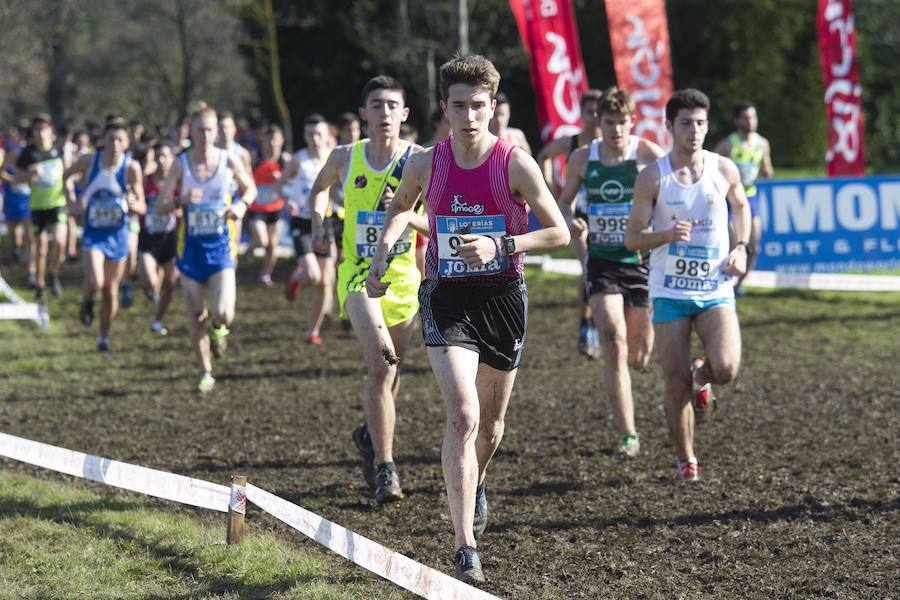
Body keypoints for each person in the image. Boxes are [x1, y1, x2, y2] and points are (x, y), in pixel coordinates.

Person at [367, 55, 569, 584]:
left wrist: (502, 243)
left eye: (479, 106)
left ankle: (478, 481)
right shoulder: (425, 164)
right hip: (446, 297)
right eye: (459, 106)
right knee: (463, 414)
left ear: (493, 107)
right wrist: (384, 251)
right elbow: (399, 211)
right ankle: (464, 545)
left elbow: (560, 233)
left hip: (503, 297)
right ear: (444, 108)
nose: (470, 116)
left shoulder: (516, 164)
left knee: (493, 426)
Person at [309, 75, 426, 504]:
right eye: (376, 105)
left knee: (393, 372)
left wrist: (405, 216)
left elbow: (438, 223)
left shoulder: (420, 162)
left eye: (392, 106)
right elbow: (319, 189)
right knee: (381, 366)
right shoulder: (345, 157)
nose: (384, 114)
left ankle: (368, 436)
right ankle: (385, 468)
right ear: (364, 114)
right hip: (358, 274)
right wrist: (318, 222)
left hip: (402, 279)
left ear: (405, 114)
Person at [625, 88, 750, 481]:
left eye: (699, 123)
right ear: (669, 126)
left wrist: (742, 247)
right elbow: (632, 238)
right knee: (675, 382)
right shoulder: (653, 176)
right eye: (685, 123)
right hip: (669, 291)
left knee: (727, 368)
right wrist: (664, 235)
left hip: (714, 289)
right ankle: (686, 460)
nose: (693, 131)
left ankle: (704, 375)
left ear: (708, 126)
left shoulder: (724, 169)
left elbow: (741, 206)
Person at [558, 87, 665, 457]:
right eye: (609, 123)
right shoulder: (583, 159)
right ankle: (628, 433)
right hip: (602, 263)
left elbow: (674, 198)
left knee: (641, 355)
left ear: (632, 121)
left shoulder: (648, 155)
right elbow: (563, 204)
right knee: (614, 341)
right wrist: (576, 232)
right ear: (597, 123)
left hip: (640, 262)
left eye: (622, 123)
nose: (616, 130)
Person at [155, 105, 258, 393]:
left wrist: (240, 205)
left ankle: (218, 330)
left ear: (217, 131)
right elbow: (160, 204)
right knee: (195, 311)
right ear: (191, 131)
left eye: (210, 129)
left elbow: (250, 188)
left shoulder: (228, 160)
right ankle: (205, 371)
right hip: (190, 251)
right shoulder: (181, 164)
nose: (205, 135)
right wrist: (180, 201)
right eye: (200, 129)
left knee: (224, 312)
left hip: (222, 248)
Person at [65, 121, 146, 351]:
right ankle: (88, 299)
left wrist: (134, 204)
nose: (115, 144)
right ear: (103, 141)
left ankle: (103, 336)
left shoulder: (131, 168)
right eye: (111, 139)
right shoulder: (89, 161)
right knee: (95, 281)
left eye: (120, 140)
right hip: (94, 234)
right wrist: (73, 202)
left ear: (128, 143)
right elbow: (66, 176)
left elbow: (142, 206)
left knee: (111, 291)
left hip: (118, 236)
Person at [538, 89, 605, 358]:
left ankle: (599, 323)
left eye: (600, 113)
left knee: (599, 268)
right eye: (591, 113)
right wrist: (552, 190)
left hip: (604, 218)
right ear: (582, 115)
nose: (596, 118)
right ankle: (586, 323)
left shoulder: (612, 145)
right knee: (588, 265)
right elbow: (544, 155)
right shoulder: (573, 143)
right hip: (578, 216)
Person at [278, 114, 335, 344]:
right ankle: (298, 277)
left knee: (325, 281)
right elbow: (279, 185)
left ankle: (313, 330)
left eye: (319, 134)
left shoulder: (333, 159)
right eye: (310, 134)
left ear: (326, 136)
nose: (315, 138)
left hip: (325, 221)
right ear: (305, 136)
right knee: (313, 275)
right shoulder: (298, 160)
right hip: (301, 222)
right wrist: (287, 200)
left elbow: (339, 188)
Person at [714, 101, 773, 295]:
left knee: (753, 247)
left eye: (753, 117)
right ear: (737, 120)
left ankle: (737, 287)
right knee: (732, 245)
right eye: (746, 117)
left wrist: (764, 171)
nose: (751, 121)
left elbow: (766, 169)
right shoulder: (727, 145)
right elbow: (709, 171)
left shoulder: (762, 144)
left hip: (750, 199)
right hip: (728, 202)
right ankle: (723, 283)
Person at [16, 114, 67, 300]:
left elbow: (68, 171)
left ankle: (53, 273)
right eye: (37, 130)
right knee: (41, 247)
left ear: (50, 131)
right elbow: (17, 177)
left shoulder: (58, 149)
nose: (40, 133)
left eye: (44, 129)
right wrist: (29, 171)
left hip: (57, 203)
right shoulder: (28, 153)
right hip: (37, 206)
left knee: (61, 243)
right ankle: (40, 282)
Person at [136, 141, 180, 335]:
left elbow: (185, 208)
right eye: (158, 157)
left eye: (165, 156)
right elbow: (138, 204)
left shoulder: (177, 183)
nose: (162, 161)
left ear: (172, 159)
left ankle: (157, 320)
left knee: (170, 285)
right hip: (148, 238)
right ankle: (149, 289)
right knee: (151, 282)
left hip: (170, 239)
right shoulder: (145, 181)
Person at [246, 124, 288, 286]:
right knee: (262, 241)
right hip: (257, 209)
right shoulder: (255, 158)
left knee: (272, 245)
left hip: (276, 208)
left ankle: (265, 275)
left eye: (275, 139)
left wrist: (282, 178)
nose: (271, 143)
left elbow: (295, 181)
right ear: (263, 140)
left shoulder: (285, 160)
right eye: (268, 139)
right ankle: (251, 247)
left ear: (281, 141)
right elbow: (246, 176)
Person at [1, 127, 36, 280]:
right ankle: (16, 249)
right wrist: (15, 180)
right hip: (12, 196)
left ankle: (31, 272)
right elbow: (2, 172)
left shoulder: (39, 155)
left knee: (30, 235)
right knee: (14, 229)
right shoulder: (16, 152)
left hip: (30, 198)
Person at [218, 112, 253, 250]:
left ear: (234, 130)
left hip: (234, 201)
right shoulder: (211, 151)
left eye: (227, 127)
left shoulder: (242, 154)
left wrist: (243, 205)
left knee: (232, 246)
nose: (224, 131)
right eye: (221, 127)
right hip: (216, 202)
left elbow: (250, 184)